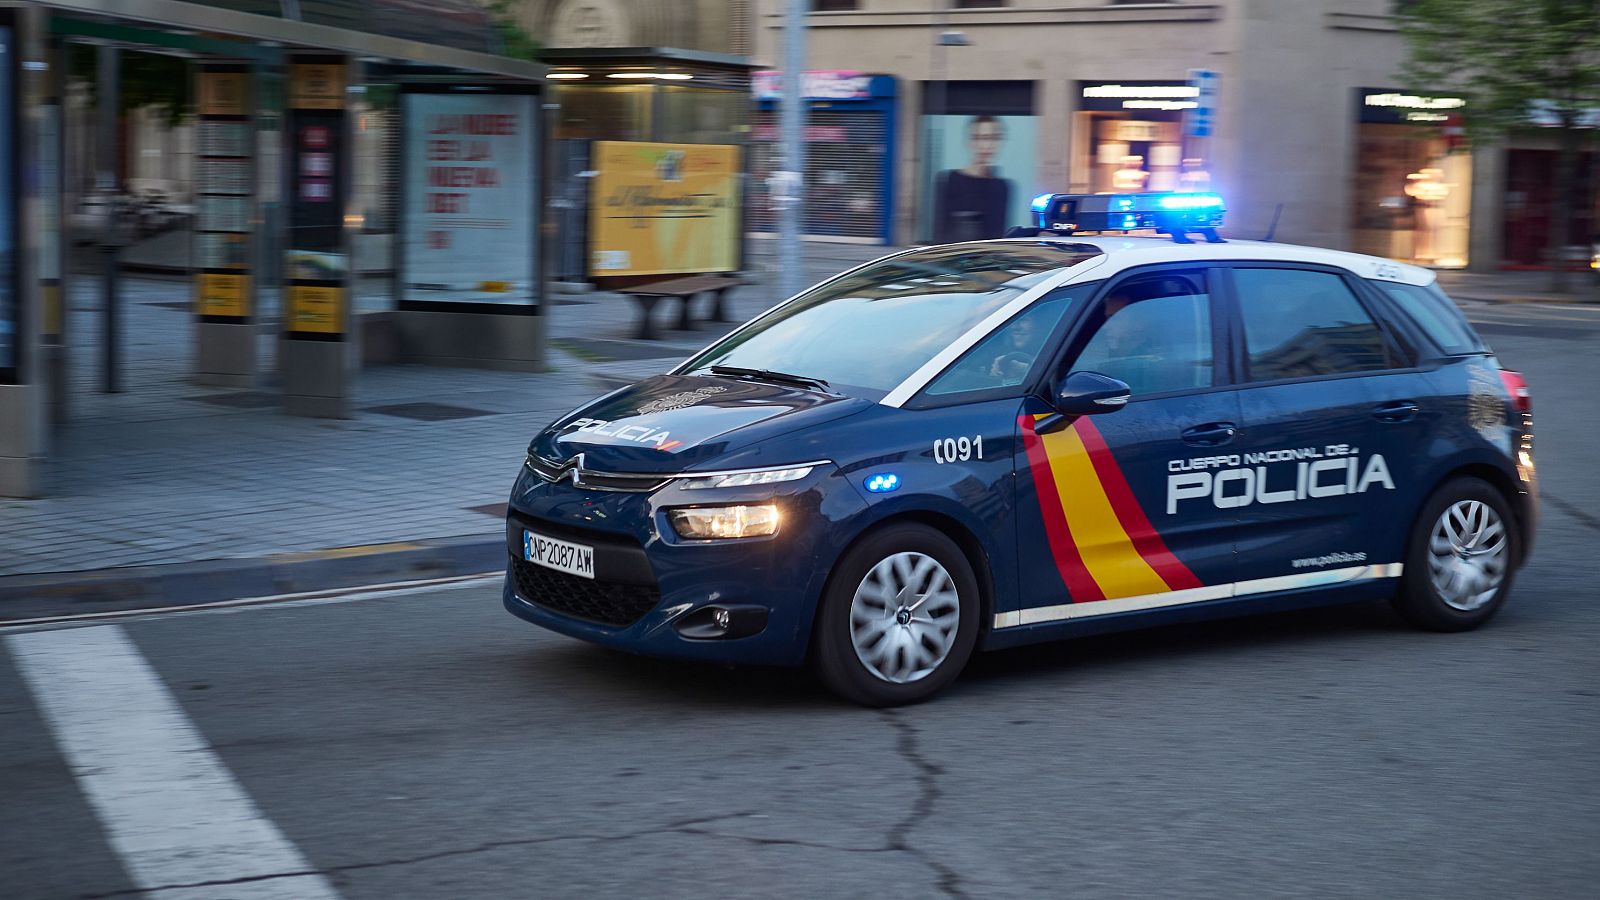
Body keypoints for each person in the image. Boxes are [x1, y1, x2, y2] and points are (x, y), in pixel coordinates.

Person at [933, 115, 1013, 242]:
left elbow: (997, 236)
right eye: (981, 138)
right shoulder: (948, 181)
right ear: (970, 142)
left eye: (994, 138)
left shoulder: (1001, 187)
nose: (987, 145)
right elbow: (938, 233)